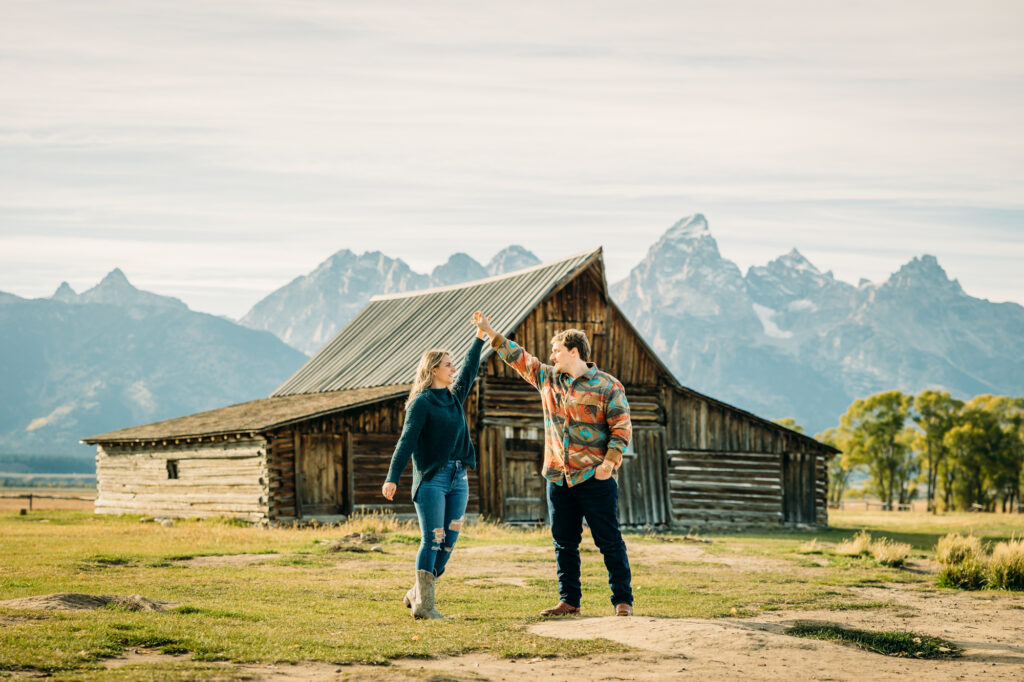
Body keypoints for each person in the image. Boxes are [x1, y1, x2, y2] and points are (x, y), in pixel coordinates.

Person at [472, 312, 634, 617]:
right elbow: (519, 358)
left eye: (556, 350)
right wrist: (490, 332)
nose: (551, 356)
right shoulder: (547, 379)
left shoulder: (607, 386)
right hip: (558, 477)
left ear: (574, 351)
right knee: (564, 543)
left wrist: (609, 465)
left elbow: (621, 428)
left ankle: (622, 601)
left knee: (609, 541)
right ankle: (569, 600)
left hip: (594, 478)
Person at [382, 315, 486, 619]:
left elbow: (469, 368)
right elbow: (406, 442)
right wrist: (392, 477)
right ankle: (425, 607)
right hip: (432, 480)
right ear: (433, 370)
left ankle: (417, 592)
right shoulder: (421, 403)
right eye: (447, 365)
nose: (453, 369)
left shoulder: (454, 398)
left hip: (459, 478)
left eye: (453, 364)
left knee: (449, 541)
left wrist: (479, 338)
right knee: (433, 539)